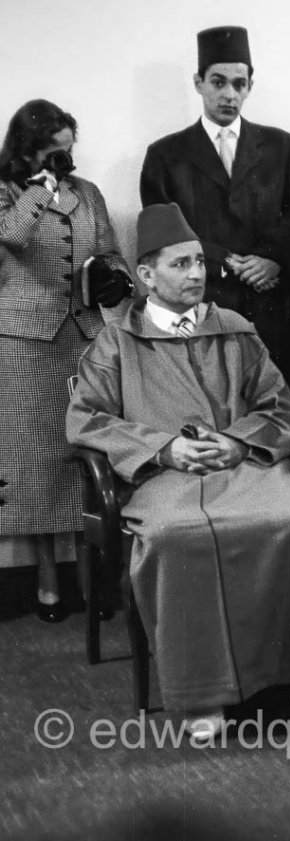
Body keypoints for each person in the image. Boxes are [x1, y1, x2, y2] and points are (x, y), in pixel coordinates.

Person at [66, 202, 290, 750]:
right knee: (169, 536)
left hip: (245, 466)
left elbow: (281, 408)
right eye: (180, 265)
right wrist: (164, 448)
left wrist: (235, 441)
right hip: (165, 481)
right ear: (146, 276)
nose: (197, 274)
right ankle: (203, 695)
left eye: (200, 262)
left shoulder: (236, 329)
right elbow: (86, 419)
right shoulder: (116, 343)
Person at [140, 26, 290, 494]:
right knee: (215, 418)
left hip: (274, 312)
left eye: (239, 83)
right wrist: (228, 261)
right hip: (206, 306)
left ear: (250, 85)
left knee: (281, 422)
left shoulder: (280, 145)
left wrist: (272, 259)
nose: (229, 94)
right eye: (218, 82)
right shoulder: (166, 155)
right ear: (198, 83)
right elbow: (162, 232)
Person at [0, 99, 132, 622]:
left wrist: (112, 276)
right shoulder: (9, 193)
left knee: (86, 456)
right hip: (23, 342)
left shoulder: (89, 194)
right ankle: (47, 583)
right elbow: (11, 236)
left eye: (68, 153)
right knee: (33, 466)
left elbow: (112, 250)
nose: (65, 164)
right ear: (28, 150)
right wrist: (38, 185)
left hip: (83, 335)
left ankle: (89, 577)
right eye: (54, 154)